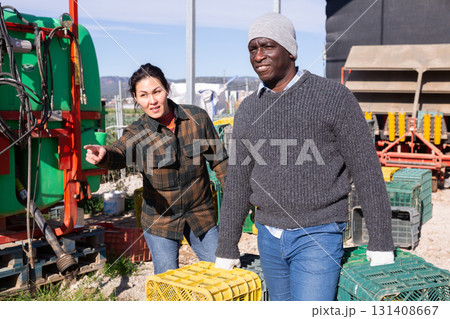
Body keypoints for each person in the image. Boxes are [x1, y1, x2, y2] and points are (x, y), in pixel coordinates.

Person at [214, 12, 394, 301]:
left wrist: (382, 241)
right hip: (268, 237)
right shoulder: (248, 109)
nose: (258, 55)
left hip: (318, 236)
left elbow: (366, 171)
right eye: (252, 48)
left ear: (290, 51)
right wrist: (226, 247)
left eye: (267, 46)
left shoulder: (333, 98)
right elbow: (237, 182)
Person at [85, 63, 227, 274]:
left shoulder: (196, 118)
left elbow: (220, 162)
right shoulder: (137, 132)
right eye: (143, 95)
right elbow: (120, 152)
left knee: (223, 271)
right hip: (161, 221)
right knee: (167, 282)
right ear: (135, 97)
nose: (152, 101)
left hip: (200, 213)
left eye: (156, 92)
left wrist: (236, 202)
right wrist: (105, 156)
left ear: (166, 89)